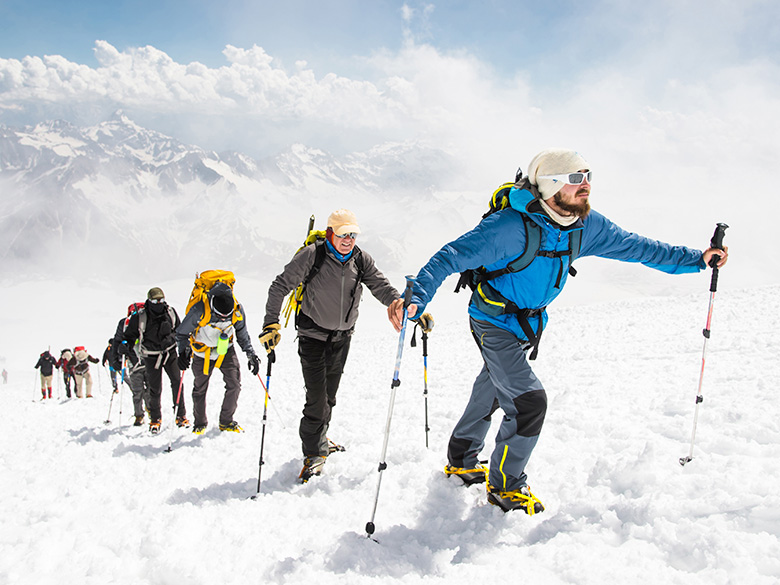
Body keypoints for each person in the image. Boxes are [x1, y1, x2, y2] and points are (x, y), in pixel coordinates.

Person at [388, 148, 729, 514]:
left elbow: (637, 247)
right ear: (550, 186)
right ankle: (506, 485)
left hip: (528, 323)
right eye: (574, 179)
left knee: (496, 386)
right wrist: (417, 296)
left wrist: (696, 258)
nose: (585, 185)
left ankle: (461, 458)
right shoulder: (508, 227)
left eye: (587, 176)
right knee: (529, 401)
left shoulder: (585, 226)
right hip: (492, 320)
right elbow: (450, 256)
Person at [260, 209, 402, 482]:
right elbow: (279, 286)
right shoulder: (312, 255)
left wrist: (398, 303)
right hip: (312, 336)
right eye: (342, 234)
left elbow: (381, 287)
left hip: (342, 339)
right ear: (330, 234)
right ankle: (313, 453)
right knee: (316, 399)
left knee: (329, 397)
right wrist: (271, 323)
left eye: (352, 234)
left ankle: (321, 438)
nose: (348, 239)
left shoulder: (360, 259)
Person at [176, 281, 260, 434]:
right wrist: (182, 352)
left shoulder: (236, 310)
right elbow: (182, 333)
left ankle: (226, 421)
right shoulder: (199, 310)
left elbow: (242, 333)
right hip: (202, 352)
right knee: (200, 389)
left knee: (234, 385)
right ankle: (200, 423)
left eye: (226, 317)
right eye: (220, 316)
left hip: (225, 350)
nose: (223, 319)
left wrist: (251, 354)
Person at [122, 287, 189, 434]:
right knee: (155, 388)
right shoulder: (140, 316)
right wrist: (125, 346)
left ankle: (181, 416)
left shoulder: (170, 313)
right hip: (151, 356)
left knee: (177, 382)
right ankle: (155, 418)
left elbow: (179, 330)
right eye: (155, 300)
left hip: (169, 353)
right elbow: (129, 336)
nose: (159, 303)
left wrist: (179, 346)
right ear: (149, 300)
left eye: (161, 300)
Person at [110, 302, 151, 426]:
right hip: (150, 359)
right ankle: (151, 412)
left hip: (133, 363)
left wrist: (115, 359)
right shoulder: (149, 320)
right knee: (151, 389)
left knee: (137, 390)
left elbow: (117, 341)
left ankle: (140, 415)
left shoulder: (124, 323)